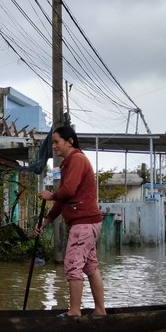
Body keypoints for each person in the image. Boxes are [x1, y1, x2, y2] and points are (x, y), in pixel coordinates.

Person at [35, 125, 106, 317]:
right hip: (86, 222)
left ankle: (74, 311)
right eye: (52, 143)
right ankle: (100, 311)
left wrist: (50, 195)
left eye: (57, 142)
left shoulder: (77, 159)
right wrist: (47, 220)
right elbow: (64, 198)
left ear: (70, 141)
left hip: (84, 222)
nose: (54, 146)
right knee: (90, 266)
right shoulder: (68, 164)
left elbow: (67, 191)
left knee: (73, 264)